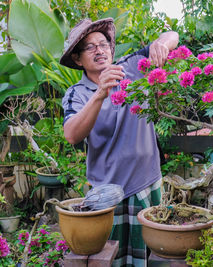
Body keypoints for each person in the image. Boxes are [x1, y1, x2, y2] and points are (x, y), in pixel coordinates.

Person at [60, 18, 179, 266]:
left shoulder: (131, 67)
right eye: (89, 47)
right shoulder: (77, 94)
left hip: (145, 183)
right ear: (78, 60)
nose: (99, 50)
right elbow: (72, 135)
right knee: (107, 258)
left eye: (103, 44)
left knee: (149, 257)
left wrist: (161, 43)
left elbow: (173, 34)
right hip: (105, 192)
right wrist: (100, 94)